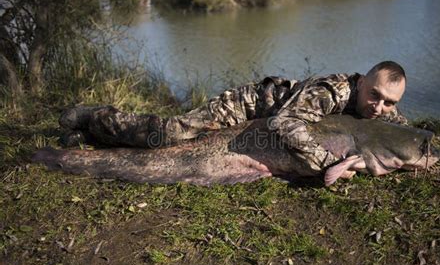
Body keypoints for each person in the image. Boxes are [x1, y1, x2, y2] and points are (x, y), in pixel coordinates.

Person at [59, 60, 407, 174]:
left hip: (266, 121)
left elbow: (397, 125)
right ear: (362, 82)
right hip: (247, 108)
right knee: (169, 135)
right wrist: (327, 163)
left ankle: (90, 139)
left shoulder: (378, 107)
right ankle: (98, 117)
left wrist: (409, 133)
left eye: (388, 103)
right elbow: (283, 123)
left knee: (165, 150)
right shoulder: (330, 92)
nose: (378, 107)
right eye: (374, 95)